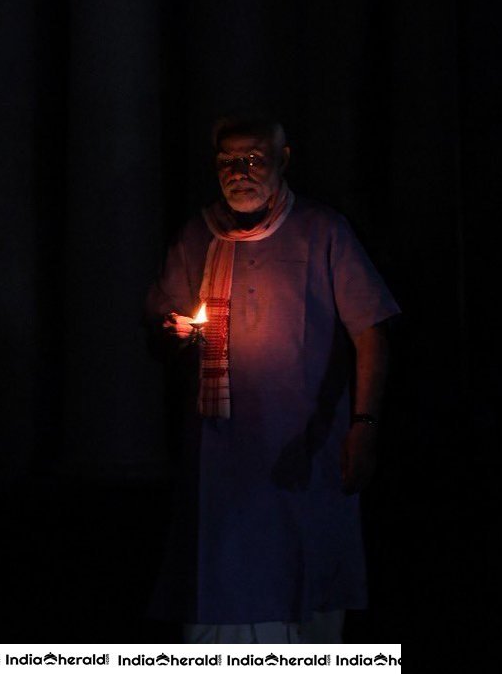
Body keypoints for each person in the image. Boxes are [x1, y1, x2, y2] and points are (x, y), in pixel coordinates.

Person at [144, 113, 400, 644]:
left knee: (304, 590)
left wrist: (365, 425)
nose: (241, 171)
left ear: (284, 160)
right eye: (229, 161)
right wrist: (176, 331)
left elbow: (371, 331)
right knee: (220, 592)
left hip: (305, 452)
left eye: (255, 158)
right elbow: (161, 326)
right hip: (220, 461)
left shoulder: (322, 231)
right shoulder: (199, 236)